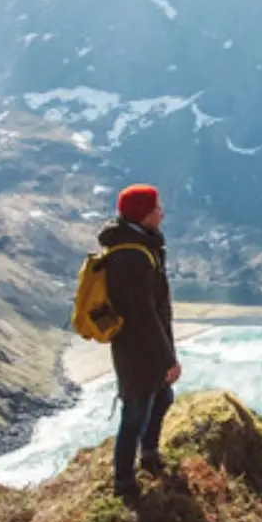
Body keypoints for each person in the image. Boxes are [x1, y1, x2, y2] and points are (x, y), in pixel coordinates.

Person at [97, 183, 180, 500]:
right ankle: (124, 480)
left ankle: (149, 453)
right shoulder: (133, 257)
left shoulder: (140, 246)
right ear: (144, 215)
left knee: (161, 399)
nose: (162, 212)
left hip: (144, 346)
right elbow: (144, 315)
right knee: (135, 412)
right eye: (157, 207)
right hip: (137, 350)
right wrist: (168, 359)